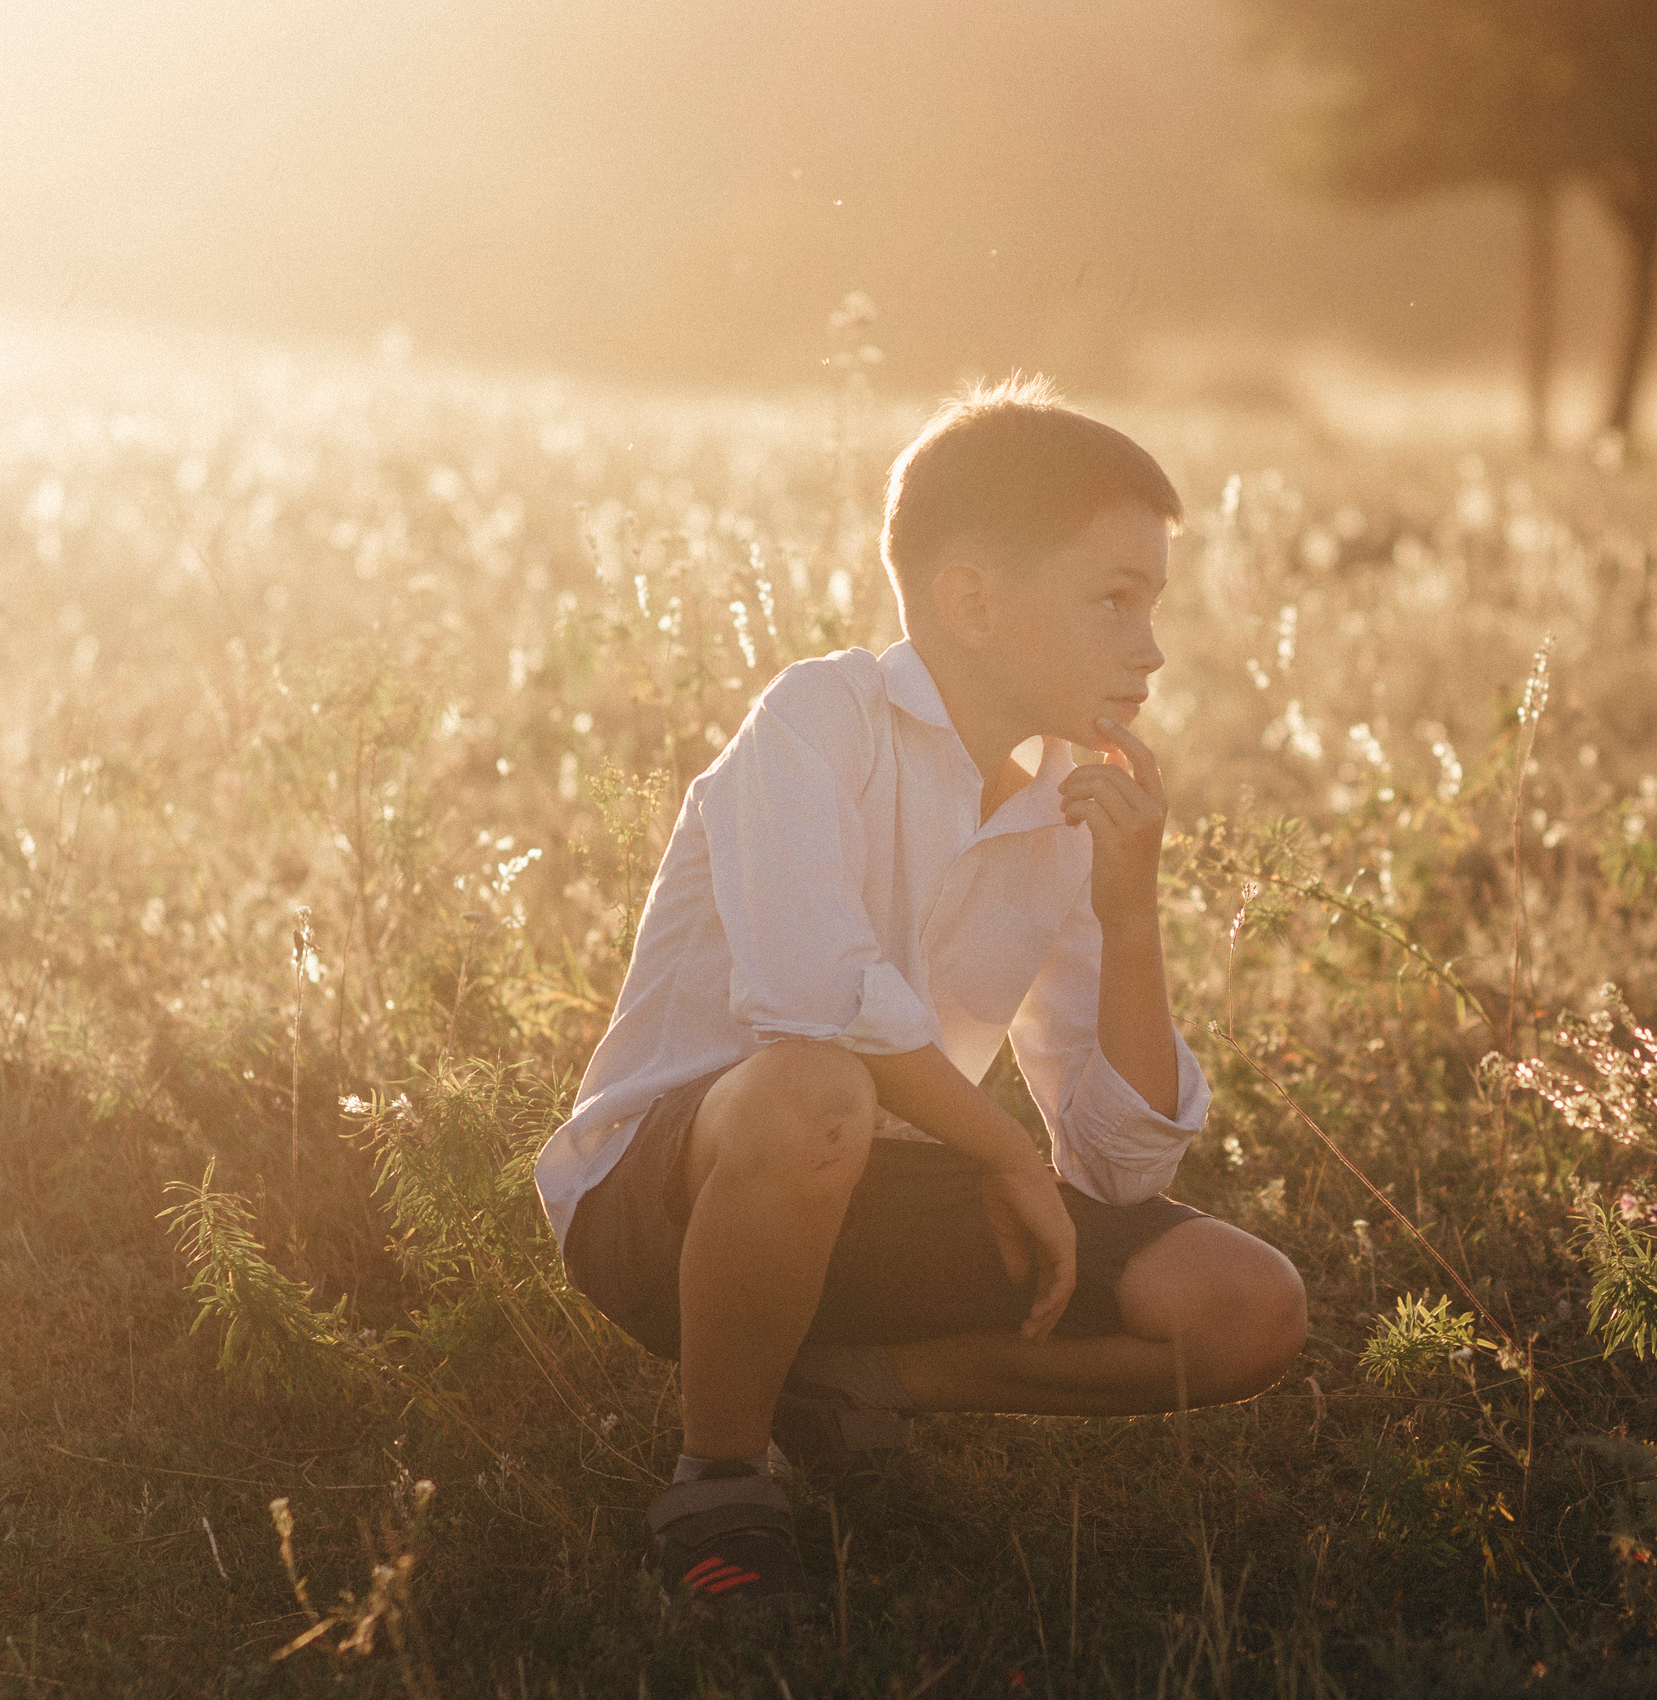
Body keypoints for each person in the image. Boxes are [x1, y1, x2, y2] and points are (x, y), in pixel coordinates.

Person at [533, 378, 1308, 1611]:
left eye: (1153, 604)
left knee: (1245, 1305)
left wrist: (1129, 906)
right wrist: (1004, 1153)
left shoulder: (1065, 804)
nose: (1149, 647)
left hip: (879, 1187)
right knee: (814, 1089)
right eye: (1114, 598)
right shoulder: (817, 718)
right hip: (671, 1201)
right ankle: (719, 1486)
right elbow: (814, 1000)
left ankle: (856, 1381)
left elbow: (1116, 1168)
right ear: (970, 600)